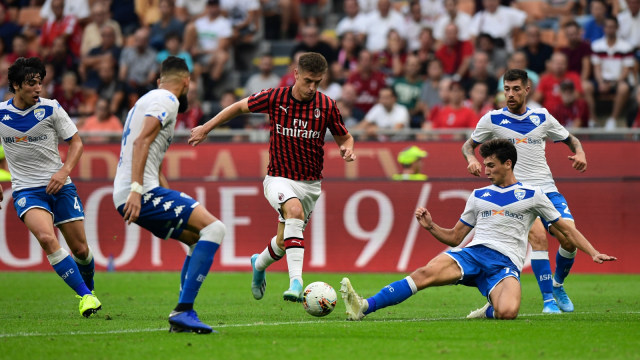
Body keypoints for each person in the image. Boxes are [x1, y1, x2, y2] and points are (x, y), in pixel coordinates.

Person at [340, 138, 616, 321]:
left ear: (508, 164)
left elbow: (565, 229)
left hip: (505, 263)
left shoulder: (533, 194)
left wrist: (592, 252)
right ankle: (363, 306)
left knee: (507, 313)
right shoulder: (479, 195)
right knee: (423, 274)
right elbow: (455, 237)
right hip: (472, 254)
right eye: (485, 164)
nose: (486, 170)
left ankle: (490, 308)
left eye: (491, 165)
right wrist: (431, 226)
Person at [188, 52, 356, 302]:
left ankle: (258, 264)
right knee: (294, 212)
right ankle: (297, 282)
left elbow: (345, 137)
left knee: (282, 241)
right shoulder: (275, 97)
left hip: (310, 185)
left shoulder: (327, 106)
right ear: (296, 74)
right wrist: (206, 127)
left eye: (317, 82)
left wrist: (348, 148)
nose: (312, 87)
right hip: (278, 178)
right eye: (308, 80)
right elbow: (238, 107)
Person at [462, 69, 593, 314]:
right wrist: (471, 159)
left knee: (569, 238)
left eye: (516, 89)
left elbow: (572, 140)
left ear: (527, 89)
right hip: (515, 193)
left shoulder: (542, 117)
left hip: (545, 187)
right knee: (539, 238)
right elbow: (468, 146)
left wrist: (581, 153)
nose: (510, 94)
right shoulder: (492, 119)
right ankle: (548, 302)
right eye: (507, 89)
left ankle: (557, 285)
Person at [113, 56, 226, 334]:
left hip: (140, 188)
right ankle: (184, 310)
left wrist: (164, 189)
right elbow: (141, 142)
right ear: (186, 82)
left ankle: (182, 317)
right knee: (215, 229)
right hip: (138, 190)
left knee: (196, 239)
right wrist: (138, 191)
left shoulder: (146, 100)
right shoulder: (167, 100)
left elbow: (152, 155)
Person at [0, 57, 100, 317]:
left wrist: (63, 171)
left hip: (61, 186)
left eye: (40, 83)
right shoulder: (1, 114)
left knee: (81, 250)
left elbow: (77, 143)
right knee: (46, 238)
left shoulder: (51, 109)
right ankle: (86, 296)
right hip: (27, 191)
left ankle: (89, 292)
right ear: (16, 85)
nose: (38, 89)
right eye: (31, 83)